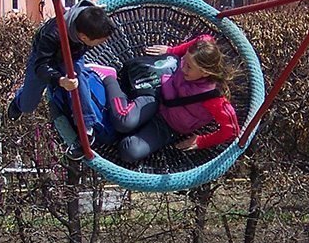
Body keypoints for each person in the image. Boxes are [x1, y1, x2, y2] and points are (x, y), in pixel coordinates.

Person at [101, 35, 240, 163]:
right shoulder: (194, 57)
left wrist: (201, 141)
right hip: (158, 97)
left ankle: (122, 125)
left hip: (168, 126)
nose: (183, 68)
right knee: (123, 121)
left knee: (129, 152)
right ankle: (109, 78)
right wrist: (172, 51)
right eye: (184, 60)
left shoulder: (214, 99)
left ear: (205, 72)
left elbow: (232, 130)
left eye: (189, 67)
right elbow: (205, 38)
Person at [7, 0, 116, 155]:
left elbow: (88, 7)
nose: (102, 43)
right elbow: (41, 67)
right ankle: (19, 101)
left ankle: (86, 128)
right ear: (84, 37)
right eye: (99, 42)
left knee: (79, 80)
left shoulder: (88, 15)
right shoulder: (51, 34)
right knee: (28, 106)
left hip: (72, 55)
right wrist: (60, 80)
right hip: (45, 60)